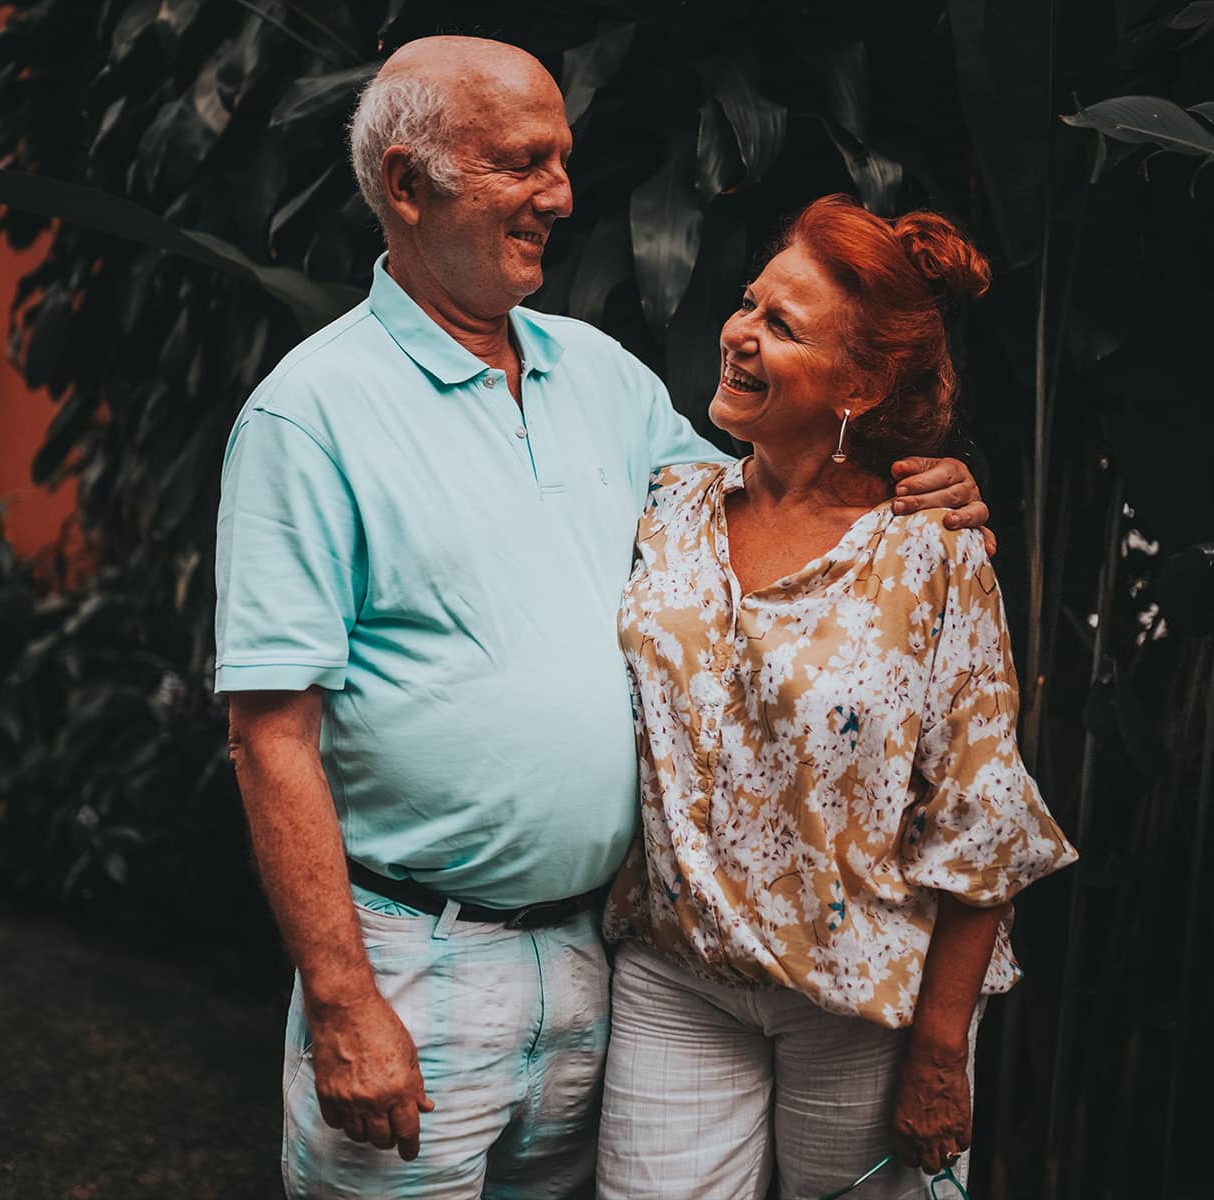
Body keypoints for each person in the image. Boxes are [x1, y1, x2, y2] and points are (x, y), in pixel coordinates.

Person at [215, 37, 992, 1200]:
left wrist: (913, 486)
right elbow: (269, 733)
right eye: (523, 163)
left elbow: (773, 509)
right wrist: (341, 999)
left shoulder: (603, 380)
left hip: (599, 969)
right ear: (409, 185)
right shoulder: (311, 417)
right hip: (413, 966)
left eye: (562, 160)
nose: (563, 198)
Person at [594, 196, 1078, 1200]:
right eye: (747, 303)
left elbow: (981, 823)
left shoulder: (931, 553)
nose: (739, 333)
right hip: (678, 979)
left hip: (867, 1011)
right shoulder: (670, 508)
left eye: (781, 325)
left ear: (858, 383)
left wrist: (941, 1056)